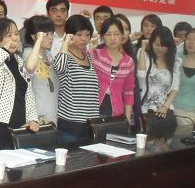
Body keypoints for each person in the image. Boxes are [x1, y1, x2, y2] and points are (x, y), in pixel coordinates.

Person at [0, 18, 39, 150]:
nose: (15, 38)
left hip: (20, 125)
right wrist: (4, 50)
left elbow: (28, 92)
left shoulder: (18, 60)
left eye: (16, 34)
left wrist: (33, 118)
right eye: (9, 35)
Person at [54, 15, 99, 143]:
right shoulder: (64, 56)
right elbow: (59, 67)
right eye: (79, 35)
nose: (84, 39)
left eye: (87, 35)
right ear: (70, 35)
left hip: (91, 124)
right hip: (70, 124)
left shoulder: (88, 57)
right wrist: (66, 42)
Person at [89, 17, 135, 124]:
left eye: (116, 34)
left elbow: (129, 92)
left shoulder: (128, 62)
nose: (112, 38)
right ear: (102, 36)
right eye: (108, 34)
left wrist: (127, 119)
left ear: (122, 35)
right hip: (94, 112)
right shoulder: (94, 55)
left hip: (116, 114)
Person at [136, 26, 181, 119]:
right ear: (151, 42)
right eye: (157, 44)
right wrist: (143, 48)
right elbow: (141, 75)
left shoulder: (175, 62)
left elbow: (175, 88)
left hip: (164, 111)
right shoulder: (144, 54)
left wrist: (165, 107)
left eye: (164, 45)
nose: (160, 48)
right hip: (143, 110)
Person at [22, 15, 59, 125]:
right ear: (34, 36)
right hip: (36, 116)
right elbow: (30, 67)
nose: (51, 38)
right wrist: (38, 41)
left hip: (52, 113)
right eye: (46, 34)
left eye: (52, 33)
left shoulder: (49, 55)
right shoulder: (28, 54)